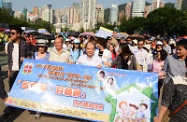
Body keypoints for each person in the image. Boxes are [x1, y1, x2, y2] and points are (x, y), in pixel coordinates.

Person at [157, 39, 187, 121]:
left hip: (182, 92)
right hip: (169, 89)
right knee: (166, 111)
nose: (177, 51)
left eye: (180, 49)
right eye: (176, 49)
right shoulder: (169, 58)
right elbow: (164, 70)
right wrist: (158, 74)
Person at [5, 26, 30, 116]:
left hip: (22, 71)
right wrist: (9, 69)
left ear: (18, 34)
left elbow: (29, 56)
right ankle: (11, 108)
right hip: (13, 70)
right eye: (10, 33)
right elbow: (9, 58)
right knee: (11, 89)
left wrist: (25, 60)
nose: (11, 35)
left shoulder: (25, 44)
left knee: (23, 88)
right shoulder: (9, 45)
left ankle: (26, 105)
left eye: (13, 33)